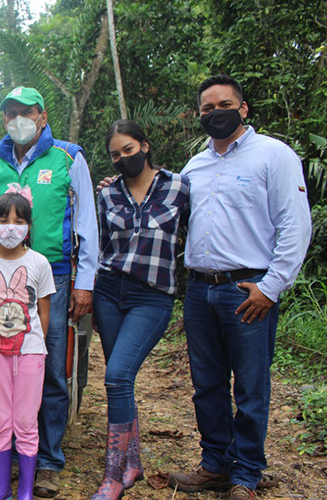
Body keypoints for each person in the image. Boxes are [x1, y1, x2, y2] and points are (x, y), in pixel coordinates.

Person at [166, 75, 311, 500]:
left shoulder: (274, 156)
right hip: (199, 290)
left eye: (224, 104)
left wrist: (271, 288)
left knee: (250, 385)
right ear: (199, 115)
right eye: (207, 108)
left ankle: (246, 472)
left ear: (243, 109)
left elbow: (295, 226)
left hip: (248, 289)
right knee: (206, 383)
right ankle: (214, 464)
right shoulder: (195, 166)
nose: (216, 113)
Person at [0, 86, 98, 498]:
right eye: (9, 112)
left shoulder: (67, 157)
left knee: (49, 371)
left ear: (42, 115)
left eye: (24, 112)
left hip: (53, 278)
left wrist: (84, 282)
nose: (17, 119)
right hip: (1, 280)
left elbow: (87, 223)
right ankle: (7, 459)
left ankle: (48, 462)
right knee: (3, 371)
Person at [91, 120, 189, 500]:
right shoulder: (107, 194)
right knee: (121, 382)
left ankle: (113, 476)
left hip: (152, 295)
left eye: (128, 150)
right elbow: (99, 246)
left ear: (145, 146)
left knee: (116, 375)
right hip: (109, 291)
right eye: (115, 154)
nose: (122, 158)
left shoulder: (179, 186)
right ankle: (132, 465)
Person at [0, 189, 56, 500]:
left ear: (29, 227)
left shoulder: (40, 263)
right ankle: (0, 487)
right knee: (0, 420)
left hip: (31, 352)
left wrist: (32, 343)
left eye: (19, 221)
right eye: (3, 220)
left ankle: (26, 492)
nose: (10, 227)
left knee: (26, 421)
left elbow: (43, 313)